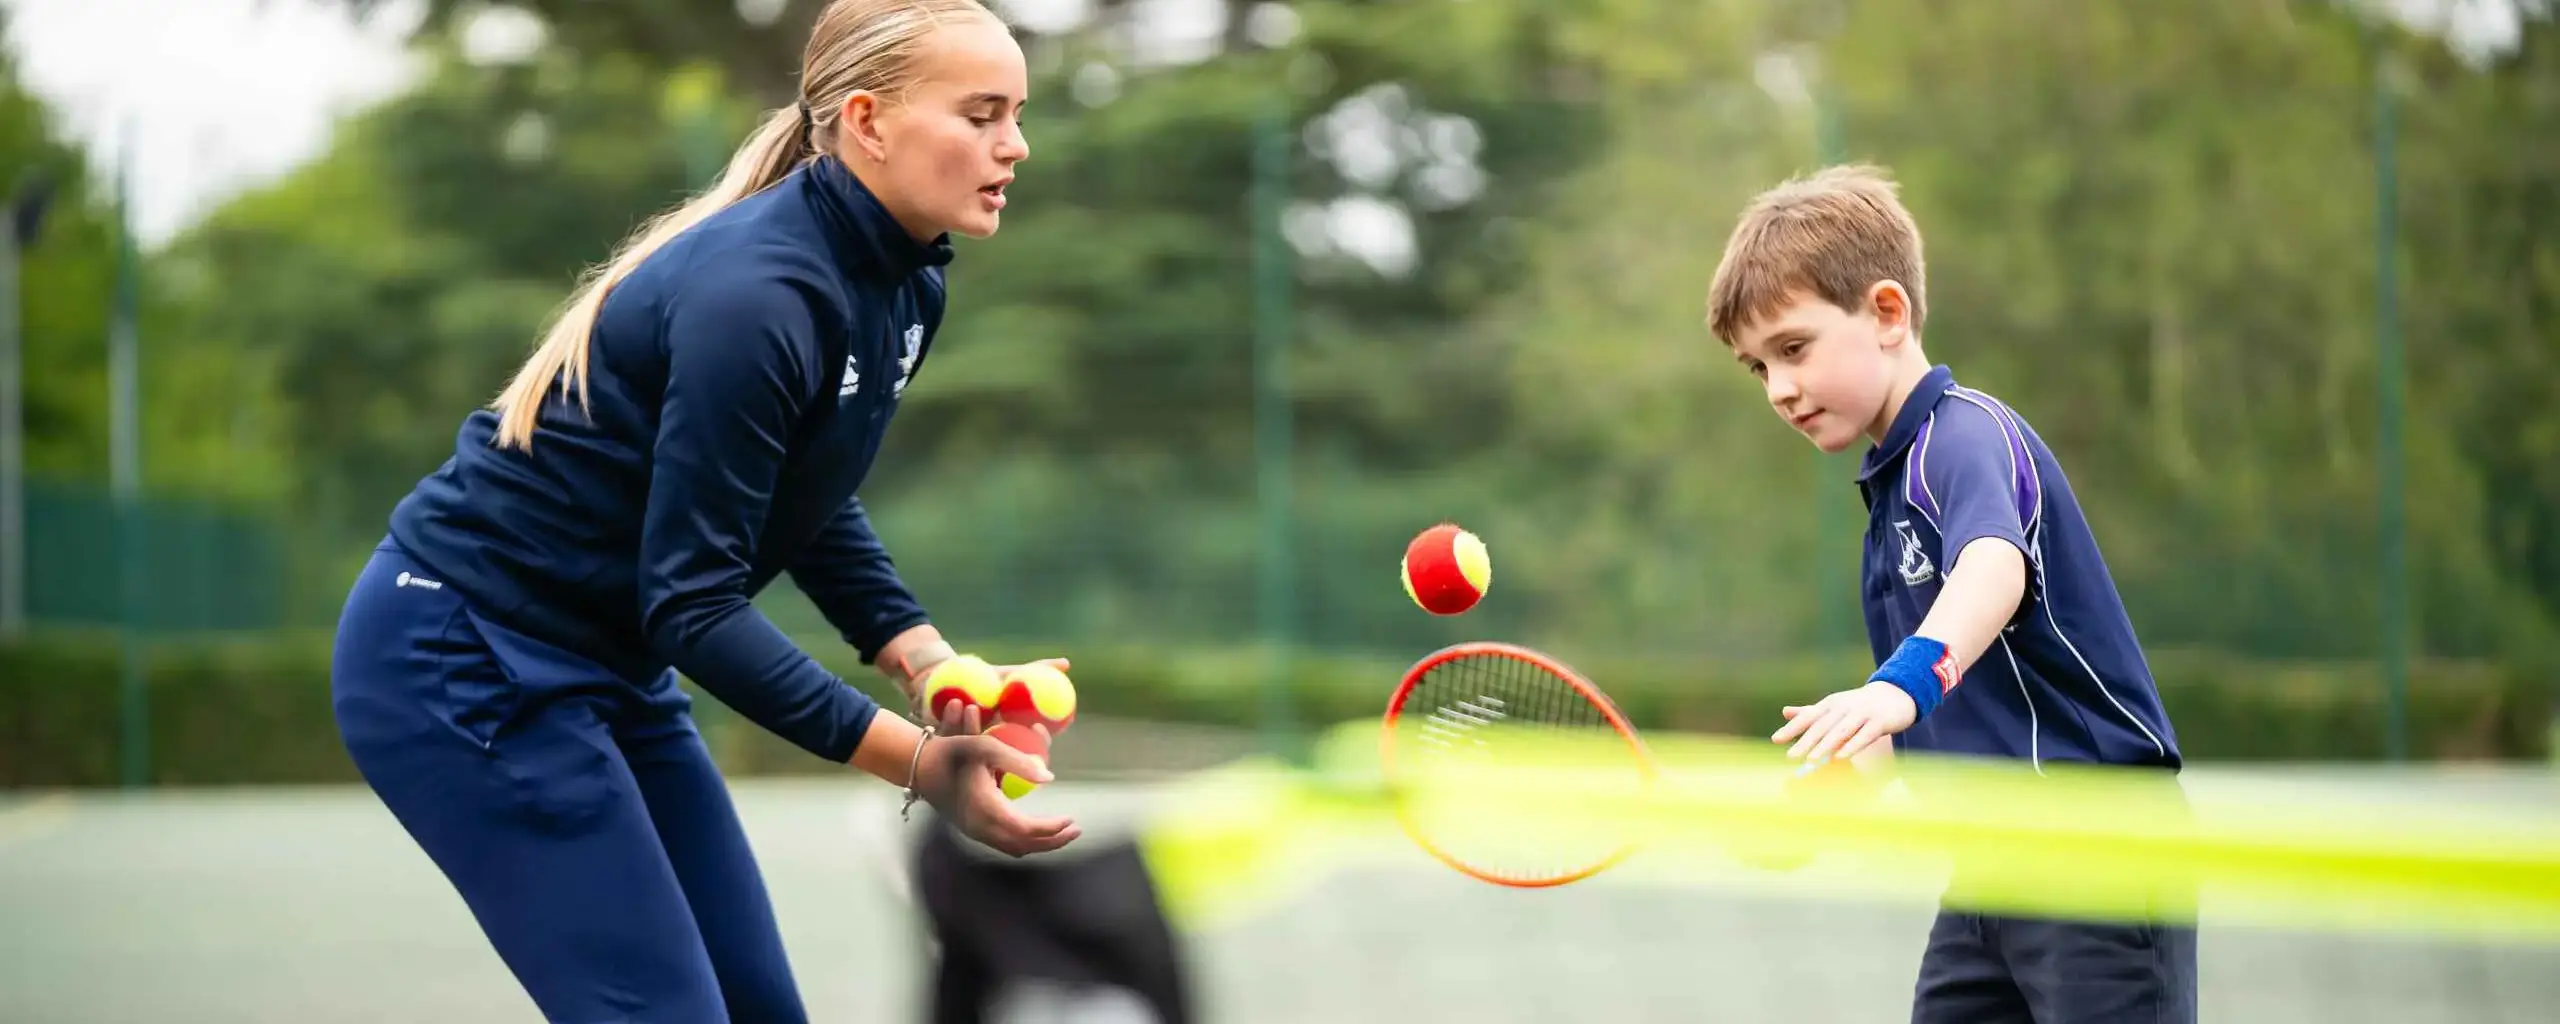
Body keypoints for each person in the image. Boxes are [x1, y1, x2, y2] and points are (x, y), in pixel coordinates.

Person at [327, 2, 1078, 1021]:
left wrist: (923, 658)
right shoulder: (758, 294)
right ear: (866, 121)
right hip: (464, 659)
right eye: (982, 114)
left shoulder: (907, 281)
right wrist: (919, 763)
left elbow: (803, 492)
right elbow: (689, 605)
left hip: (606, 666)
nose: (1014, 144)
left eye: (1016, 114)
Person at [1706, 164, 2196, 1024]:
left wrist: (1899, 683)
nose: (1778, 389)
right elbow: (1917, 722)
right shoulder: (1888, 499)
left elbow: (1993, 571)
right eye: (1756, 368)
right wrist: (1812, 806)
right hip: (1988, 874)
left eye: (1793, 348)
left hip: (2099, 855)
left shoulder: (1963, 438)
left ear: (1887, 314)